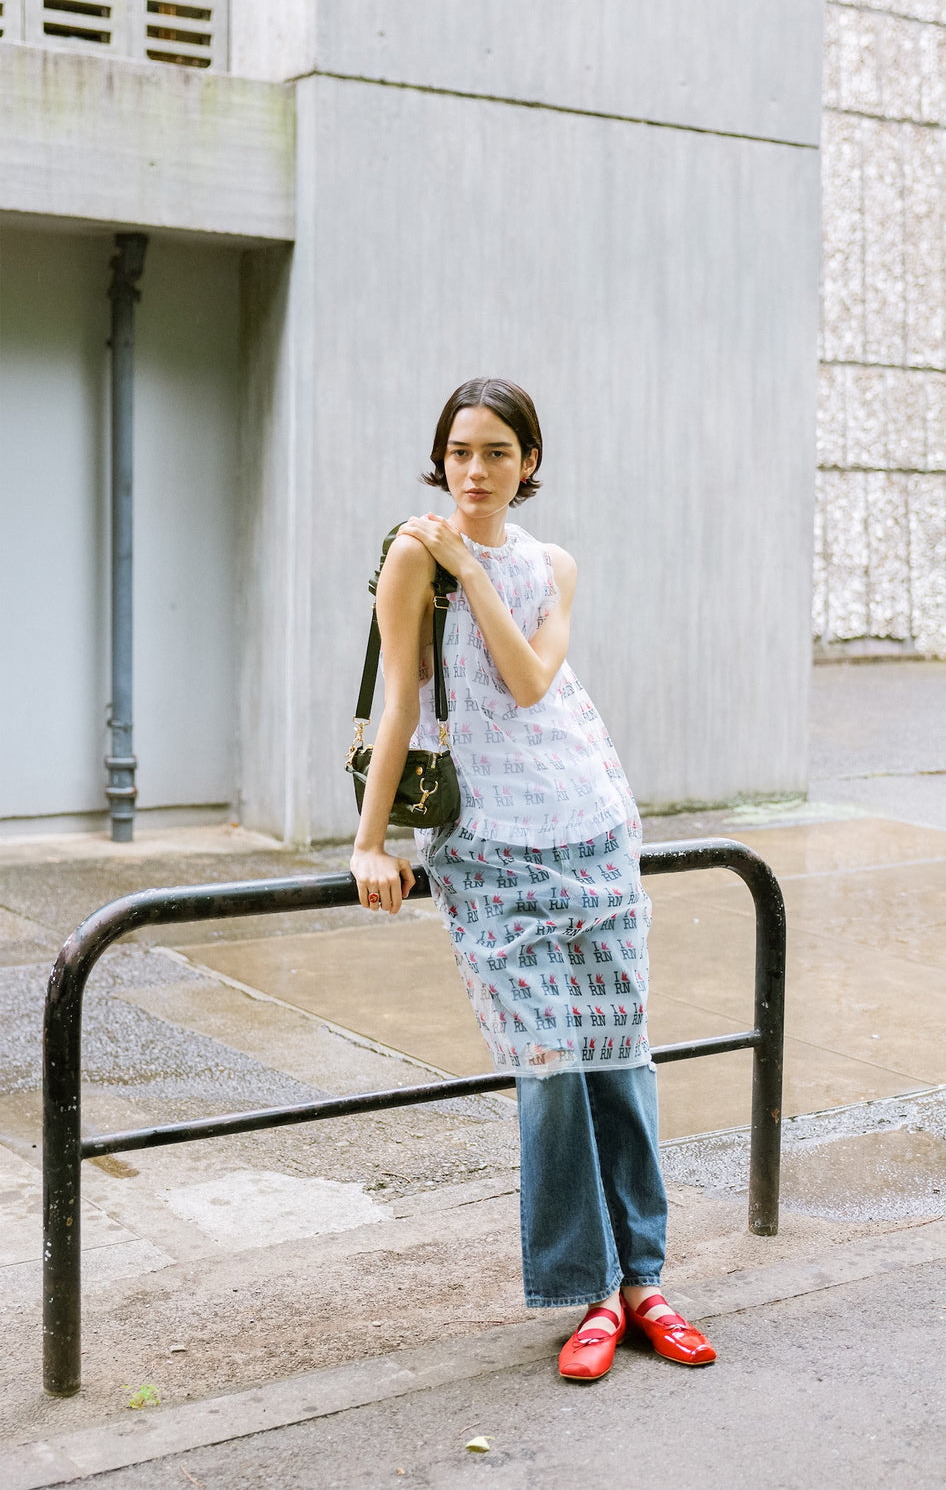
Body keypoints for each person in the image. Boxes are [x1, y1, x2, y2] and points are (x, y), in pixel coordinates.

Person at [350, 378, 715, 1380]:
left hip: (589, 824)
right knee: (550, 1061)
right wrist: (370, 841)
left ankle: (644, 1283)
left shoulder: (552, 565)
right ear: (441, 459)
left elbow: (529, 681)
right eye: (460, 451)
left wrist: (474, 569)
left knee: (620, 1057)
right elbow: (398, 704)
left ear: (530, 463)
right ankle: (589, 1290)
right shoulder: (411, 556)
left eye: (497, 452)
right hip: (487, 845)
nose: (475, 470)